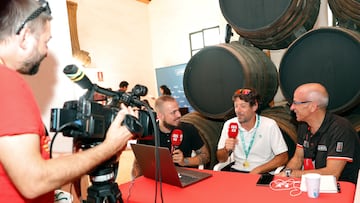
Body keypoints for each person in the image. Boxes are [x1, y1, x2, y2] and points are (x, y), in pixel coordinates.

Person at [0, 1, 136, 202]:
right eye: (45, 42)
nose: (46, 52)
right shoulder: (7, 82)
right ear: (26, 36)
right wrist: (110, 146)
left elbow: (21, 164)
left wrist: (83, 156)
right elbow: (33, 181)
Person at [277, 83, 360, 183]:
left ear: (312, 107)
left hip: (341, 189)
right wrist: (283, 177)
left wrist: (292, 174)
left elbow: (332, 174)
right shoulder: (303, 125)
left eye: (296, 103)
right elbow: (298, 158)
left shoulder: (341, 129)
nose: (292, 108)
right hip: (313, 184)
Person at [132, 95, 209, 178]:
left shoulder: (189, 129)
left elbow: (206, 156)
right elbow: (138, 163)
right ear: (160, 116)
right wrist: (136, 182)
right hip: (157, 180)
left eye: (178, 110)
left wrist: (185, 161)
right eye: (173, 112)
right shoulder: (147, 133)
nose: (179, 115)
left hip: (185, 178)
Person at [216, 88, 288, 174]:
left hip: (262, 172)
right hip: (237, 171)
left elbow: (283, 157)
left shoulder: (269, 125)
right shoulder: (230, 124)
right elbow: (221, 158)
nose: (238, 110)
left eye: (243, 106)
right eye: (236, 106)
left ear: (254, 106)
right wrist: (225, 150)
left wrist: (258, 170)